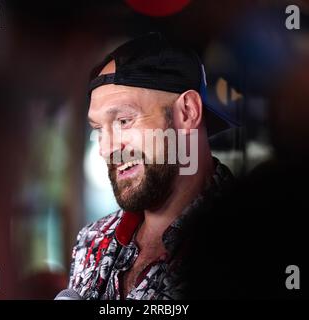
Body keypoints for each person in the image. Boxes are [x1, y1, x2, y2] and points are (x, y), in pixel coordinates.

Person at [64, 33, 237, 300]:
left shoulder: (251, 243)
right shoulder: (92, 240)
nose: (106, 148)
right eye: (99, 129)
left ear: (188, 112)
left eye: (123, 120)